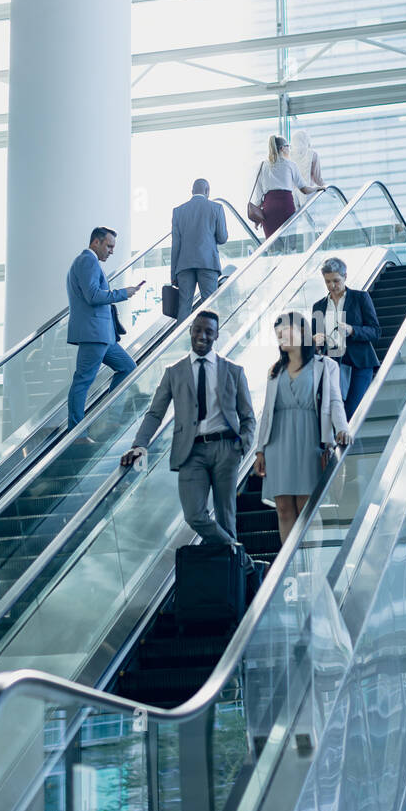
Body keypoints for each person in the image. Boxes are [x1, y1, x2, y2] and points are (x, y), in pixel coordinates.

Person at [120, 310, 256, 550]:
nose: (202, 336)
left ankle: (231, 581)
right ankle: (243, 561)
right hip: (190, 452)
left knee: (226, 518)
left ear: (216, 335)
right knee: (194, 515)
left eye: (209, 332)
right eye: (198, 330)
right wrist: (139, 444)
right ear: (190, 331)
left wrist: (242, 445)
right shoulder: (174, 372)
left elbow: (248, 416)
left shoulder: (233, 371)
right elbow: (155, 413)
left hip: (226, 449)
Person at [253, 311, 350, 545]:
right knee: (284, 508)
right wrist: (260, 451)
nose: (280, 337)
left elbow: (335, 399)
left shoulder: (325, 366)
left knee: (307, 507)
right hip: (278, 442)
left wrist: (342, 428)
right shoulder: (274, 370)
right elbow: (267, 412)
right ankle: (291, 566)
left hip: (310, 439)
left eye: (285, 331)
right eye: (277, 334)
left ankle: (311, 564)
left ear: (303, 332)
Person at [66, 227, 144, 431]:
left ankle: (110, 416)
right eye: (109, 246)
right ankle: (75, 430)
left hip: (103, 335)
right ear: (95, 243)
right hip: (94, 333)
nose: (111, 251)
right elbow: (92, 296)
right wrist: (122, 293)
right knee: (83, 380)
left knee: (128, 367)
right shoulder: (87, 261)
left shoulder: (89, 263)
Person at [311, 256, 381, 419]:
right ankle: (345, 444)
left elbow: (375, 331)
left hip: (360, 364)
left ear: (345, 277)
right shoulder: (318, 306)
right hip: (333, 365)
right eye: (327, 281)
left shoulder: (360, 298)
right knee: (336, 413)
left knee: (351, 412)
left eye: (336, 280)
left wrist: (352, 330)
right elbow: (315, 347)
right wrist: (315, 341)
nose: (332, 286)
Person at [171, 178, 228, 316]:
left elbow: (175, 245)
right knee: (210, 306)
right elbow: (222, 238)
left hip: (184, 265)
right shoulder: (216, 208)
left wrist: (173, 273)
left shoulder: (178, 211)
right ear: (207, 191)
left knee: (184, 307)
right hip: (208, 263)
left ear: (192, 191)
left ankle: (178, 337)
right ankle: (210, 337)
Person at [252, 134, 322, 239]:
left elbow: (258, 195)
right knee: (289, 244)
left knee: (273, 245)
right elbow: (304, 189)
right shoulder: (290, 165)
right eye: (288, 146)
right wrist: (317, 188)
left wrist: (257, 219)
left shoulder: (262, 166)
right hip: (286, 206)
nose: (289, 149)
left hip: (269, 209)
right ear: (282, 148)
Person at [289, 128, 325, 210]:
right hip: (308, 193)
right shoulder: (312, 154)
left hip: (293, 195)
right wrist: (327, 188)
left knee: (295, 220)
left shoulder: (289, 155)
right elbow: (317, 179)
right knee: (309, 219)